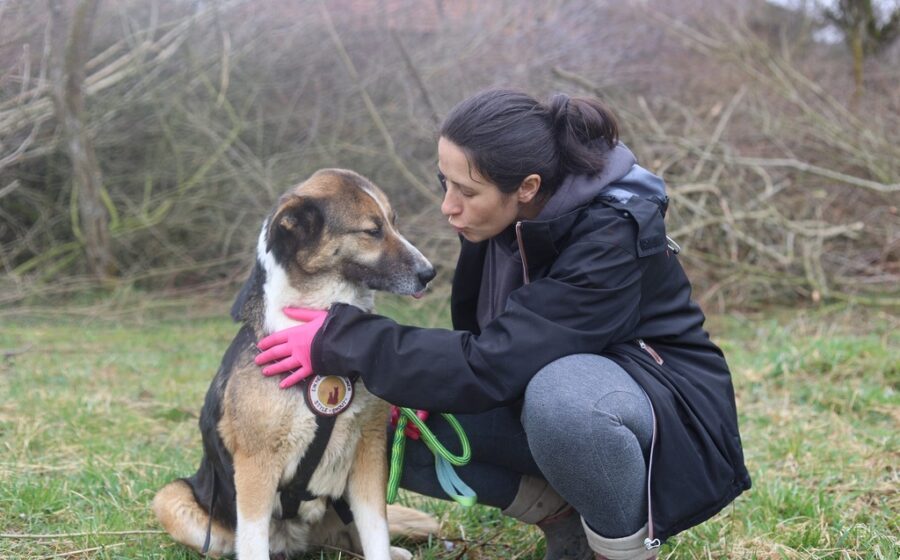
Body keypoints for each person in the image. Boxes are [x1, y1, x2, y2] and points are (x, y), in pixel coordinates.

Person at [254, 89, 751, 560]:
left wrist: (345, 339)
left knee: (562, 397)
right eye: (444, 182)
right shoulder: (497, 218)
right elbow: (492, 349)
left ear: (527, 187)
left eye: (467, 191)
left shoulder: (610, 235)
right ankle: (563, 518)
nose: (448, 206)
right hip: (542, 393)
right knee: (385, 416)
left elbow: (498, 360)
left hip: (660, 418)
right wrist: (409, 380)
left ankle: (621, 548)